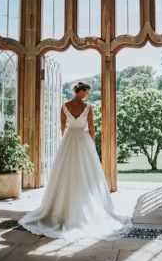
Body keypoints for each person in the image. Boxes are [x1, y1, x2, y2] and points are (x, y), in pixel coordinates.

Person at [19, 81, 132, 241]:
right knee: (87, 173)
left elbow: (63, 126)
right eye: (87, 91)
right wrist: (92, 143)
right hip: (84, 140)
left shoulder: (65, 106)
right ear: (83, 91)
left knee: (66, 173)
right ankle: (85, 207)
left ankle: (64, 209)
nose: (88, 94)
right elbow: (92, 127)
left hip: (69, 139)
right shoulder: (88, 106)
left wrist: (65, 140)